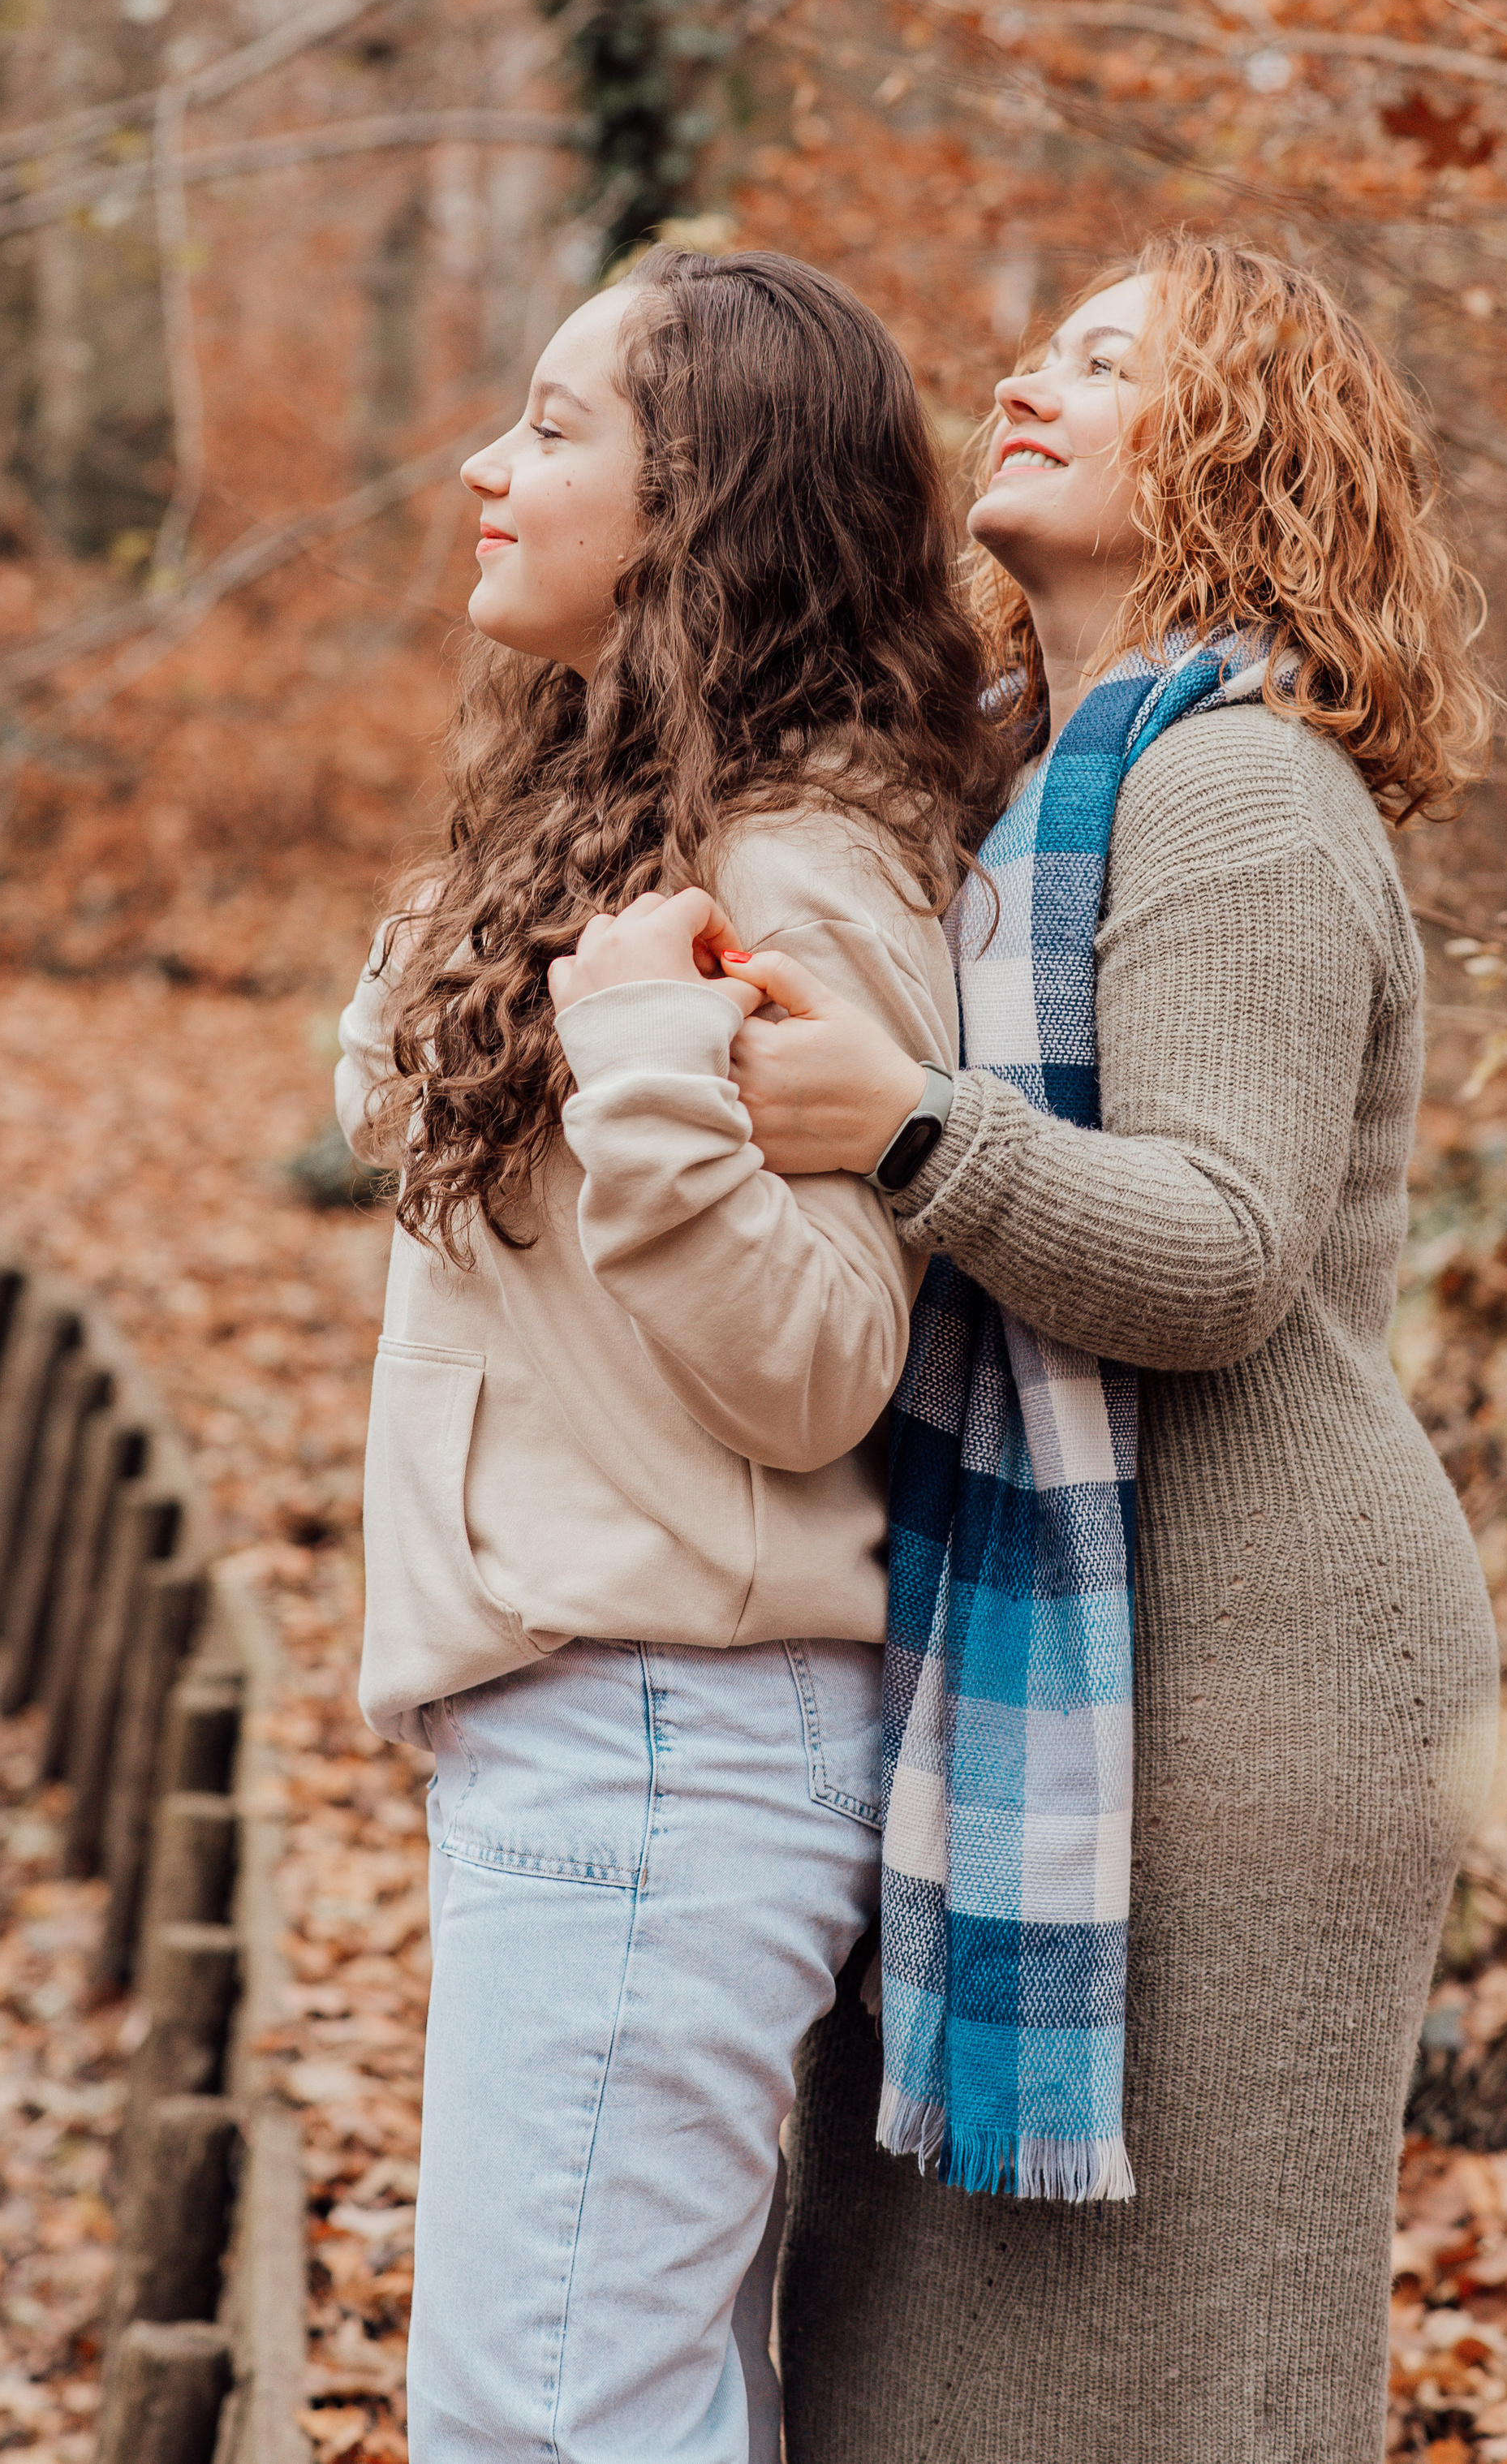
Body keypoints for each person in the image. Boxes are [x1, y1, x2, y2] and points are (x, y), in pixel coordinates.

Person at [718, 233, 1504, 2462]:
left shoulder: (1237, 784)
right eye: (1039, 344)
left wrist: (910, 1128)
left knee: (1184, 2373)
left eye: (1106, 361)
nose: (1027, 379)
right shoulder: (1016, 784)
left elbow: (1224, 1254)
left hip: (1261, 1674)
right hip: (1063, 1639)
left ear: (1240, 448)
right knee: (914, 2354)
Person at [332, 247, 1014, 2464]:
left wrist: (637, 1060)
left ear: (700, 505)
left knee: (550, 2423)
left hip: (667, 1731)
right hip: (602, 1724)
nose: (484, 464)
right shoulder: (635, 826)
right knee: (588, 2409)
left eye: (554, 428)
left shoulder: (801, 870)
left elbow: (821, 1362)